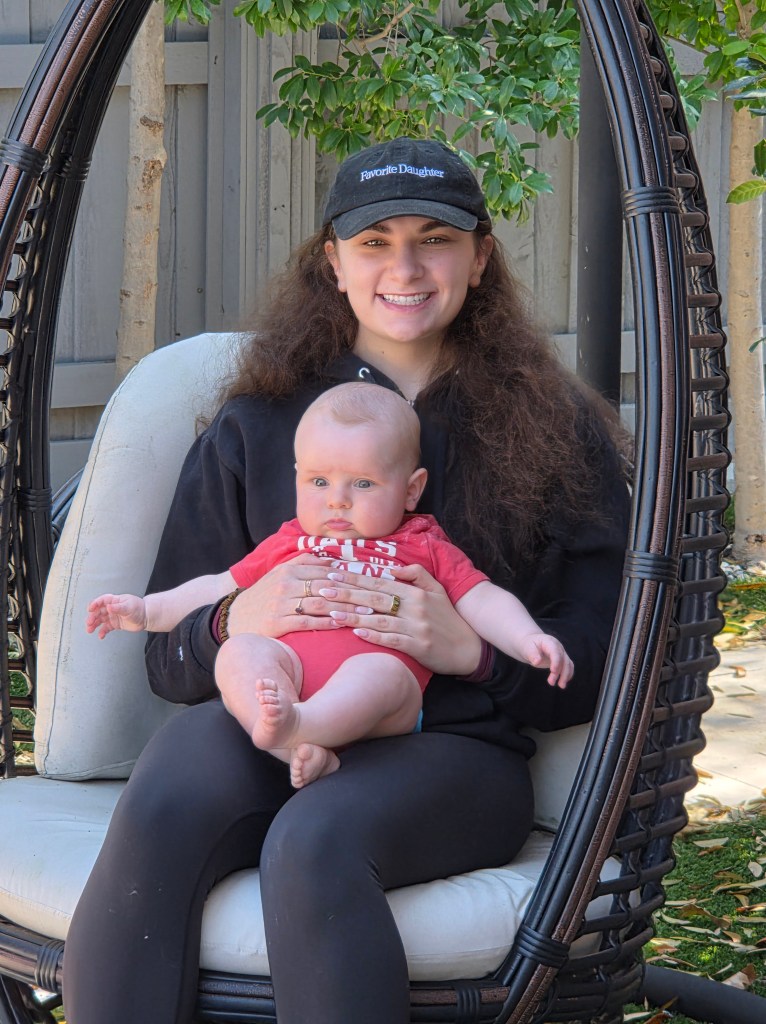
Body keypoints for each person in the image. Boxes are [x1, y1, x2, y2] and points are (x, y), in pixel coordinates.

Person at [63, 136, 631, 1024]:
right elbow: (169, 665)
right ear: (332, 261)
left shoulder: (554, 432)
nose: (404, 267)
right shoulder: (258, 425)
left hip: (456, 757)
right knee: (170, 790)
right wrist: (233, 617)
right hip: (270, 718)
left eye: (433, 238)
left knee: (316, 840)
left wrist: (471, 652)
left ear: (479, 257)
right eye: (374, 242)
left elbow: (593, 663)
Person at [86, 383, 574, 788]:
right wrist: (147, 611)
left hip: (387, 703)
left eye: (362, 484)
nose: (337, 502)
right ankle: (302, 748)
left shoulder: (422, 543)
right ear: (297, 477)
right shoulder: (292, 541)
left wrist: (527, 638)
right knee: (239, 654)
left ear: (411, 489)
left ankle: (300, 730)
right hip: (294, 676)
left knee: (377, 671)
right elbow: (220, 585)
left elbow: (481, 598)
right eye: (319, 483)